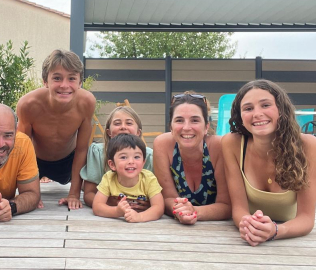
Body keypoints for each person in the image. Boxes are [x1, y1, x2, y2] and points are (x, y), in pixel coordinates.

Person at [222, 79, 316, 245]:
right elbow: (239, 209)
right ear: (240, 116)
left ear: (281, 109)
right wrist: (249, 225)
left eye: (265, 105)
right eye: (248, 108)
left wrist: (275, 231)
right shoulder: (232, 144)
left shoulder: (308, 146)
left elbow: (306, 219)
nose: (257, 113)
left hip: (289, 238)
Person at [16, 49, 96, 210]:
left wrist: (73, 194)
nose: (64, 85)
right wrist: (29, 193)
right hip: (36, 162)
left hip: (68, 162)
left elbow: (82, 150)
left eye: (72, 78)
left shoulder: (86, 102)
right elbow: (21, 149)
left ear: (80, 82)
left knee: (93, 181)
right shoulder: (28, 105)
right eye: (57, 78)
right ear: (45, 81)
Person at [153, 92, 231, 224]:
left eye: (195, 120)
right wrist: (180, 211)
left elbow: (226, 205)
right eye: (179, 120)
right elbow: (167, 198)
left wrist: (193, 211)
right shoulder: (162, 145)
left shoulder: (220, 146)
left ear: (206, 127)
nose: (186, 127)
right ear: (171, 127)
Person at [81, 106, 154, 210]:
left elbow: (158, 194)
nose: (123, 127)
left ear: (138, 132)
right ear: (109, 132)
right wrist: (111, 204)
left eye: (129, 123)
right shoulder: (98, 152)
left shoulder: (150, 156)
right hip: (108, 209)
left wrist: (151, 204)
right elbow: (89, 194)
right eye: (117, 123)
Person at [92, 134, 164, 222]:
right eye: (123, 157)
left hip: (146, 225)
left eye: (136, 157)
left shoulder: (148, 179)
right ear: (112, 164)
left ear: (143, 162)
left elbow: (159, 207)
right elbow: (97, 206)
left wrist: (140, 217)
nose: (131, 161)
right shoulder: (109, 178)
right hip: (115, 224)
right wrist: (116, 211)